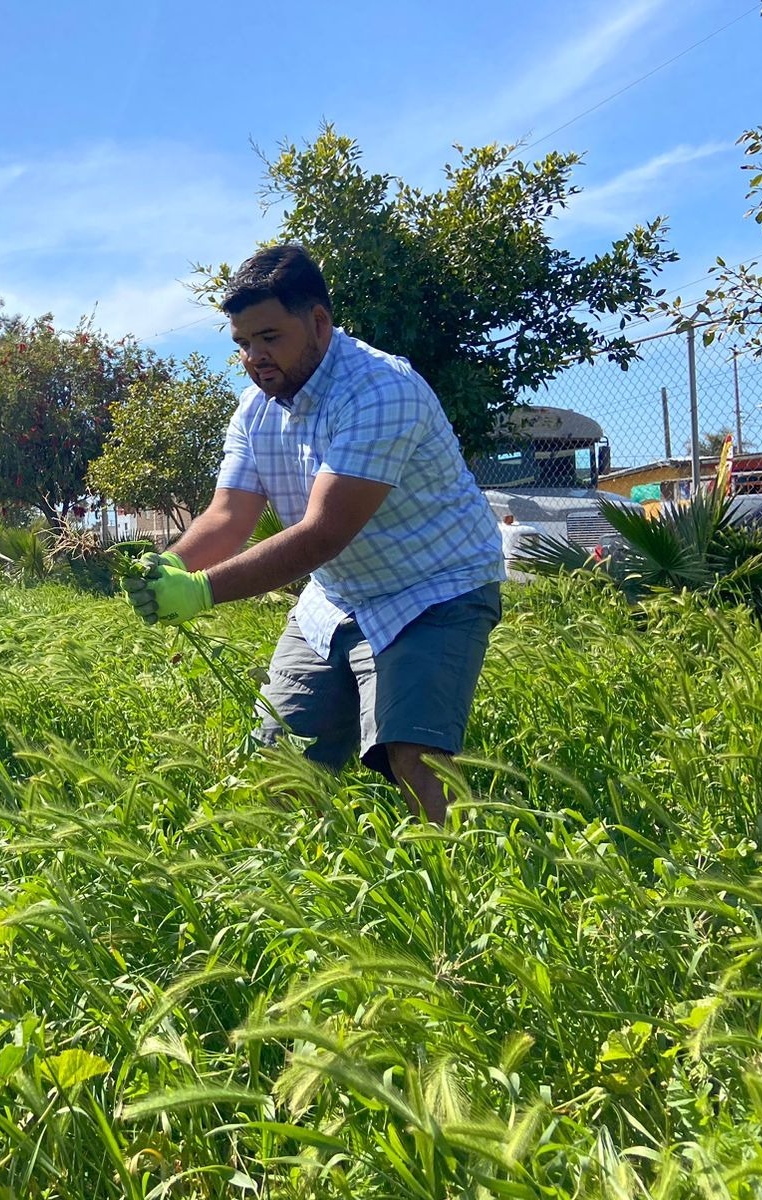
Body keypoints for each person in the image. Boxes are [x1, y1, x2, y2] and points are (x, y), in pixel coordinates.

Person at [124, 244, 504, 823]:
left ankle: (457, 892)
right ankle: (299, 902)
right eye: (243, 344)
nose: (255, 356)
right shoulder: (255, 410)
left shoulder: (380, 389)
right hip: (335, 600)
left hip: (435, 590)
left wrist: (200, 593)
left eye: (270, 337)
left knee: (415, 757)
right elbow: (228, 515)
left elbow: (323, 533)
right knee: (281, 765)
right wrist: (173, 566)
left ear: (319, 323)